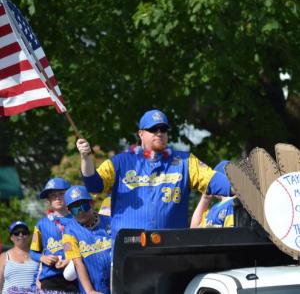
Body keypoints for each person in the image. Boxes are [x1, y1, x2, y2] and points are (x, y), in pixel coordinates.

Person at [76, 109, 231, 242]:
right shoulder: (120, 162)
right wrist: (85, 158)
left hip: (172, 247)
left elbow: (215, 181)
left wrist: (245, 187)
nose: (159, 133)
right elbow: (93, 185)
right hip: (130, 248)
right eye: (153, 129)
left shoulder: (185, 161)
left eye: (163, 129)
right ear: (141, 134)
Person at [29, 177, 79, 293]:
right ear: (48, 200)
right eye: (53, 195)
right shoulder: (41, 224)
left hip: (75, 274)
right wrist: (43, 258)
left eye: (61, 194)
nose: (57, 198)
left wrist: (70, 259)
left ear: (68, 196)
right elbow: (33, 252)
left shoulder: (78, 220)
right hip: (50, 277)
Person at [62, 185, 111, 294]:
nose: (80, 211)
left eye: (83, 205)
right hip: (92, 288)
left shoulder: (110, 222)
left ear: (91, 203)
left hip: (118, 284)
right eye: (74, 208)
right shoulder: (68, 233)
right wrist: (90, 291)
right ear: (69, 211)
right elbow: (78, 263)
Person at [191, 160, 235, 228]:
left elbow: (233, 235)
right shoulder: (214, 208)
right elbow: (194, 229)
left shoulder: (232, 205)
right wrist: (205, 198)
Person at [0, 221, 38, 294]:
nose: (20, 235)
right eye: (16, 233)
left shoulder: (38, 256)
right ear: (11, 237)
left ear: (29, 236)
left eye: (24, 232)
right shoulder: (4, 256)